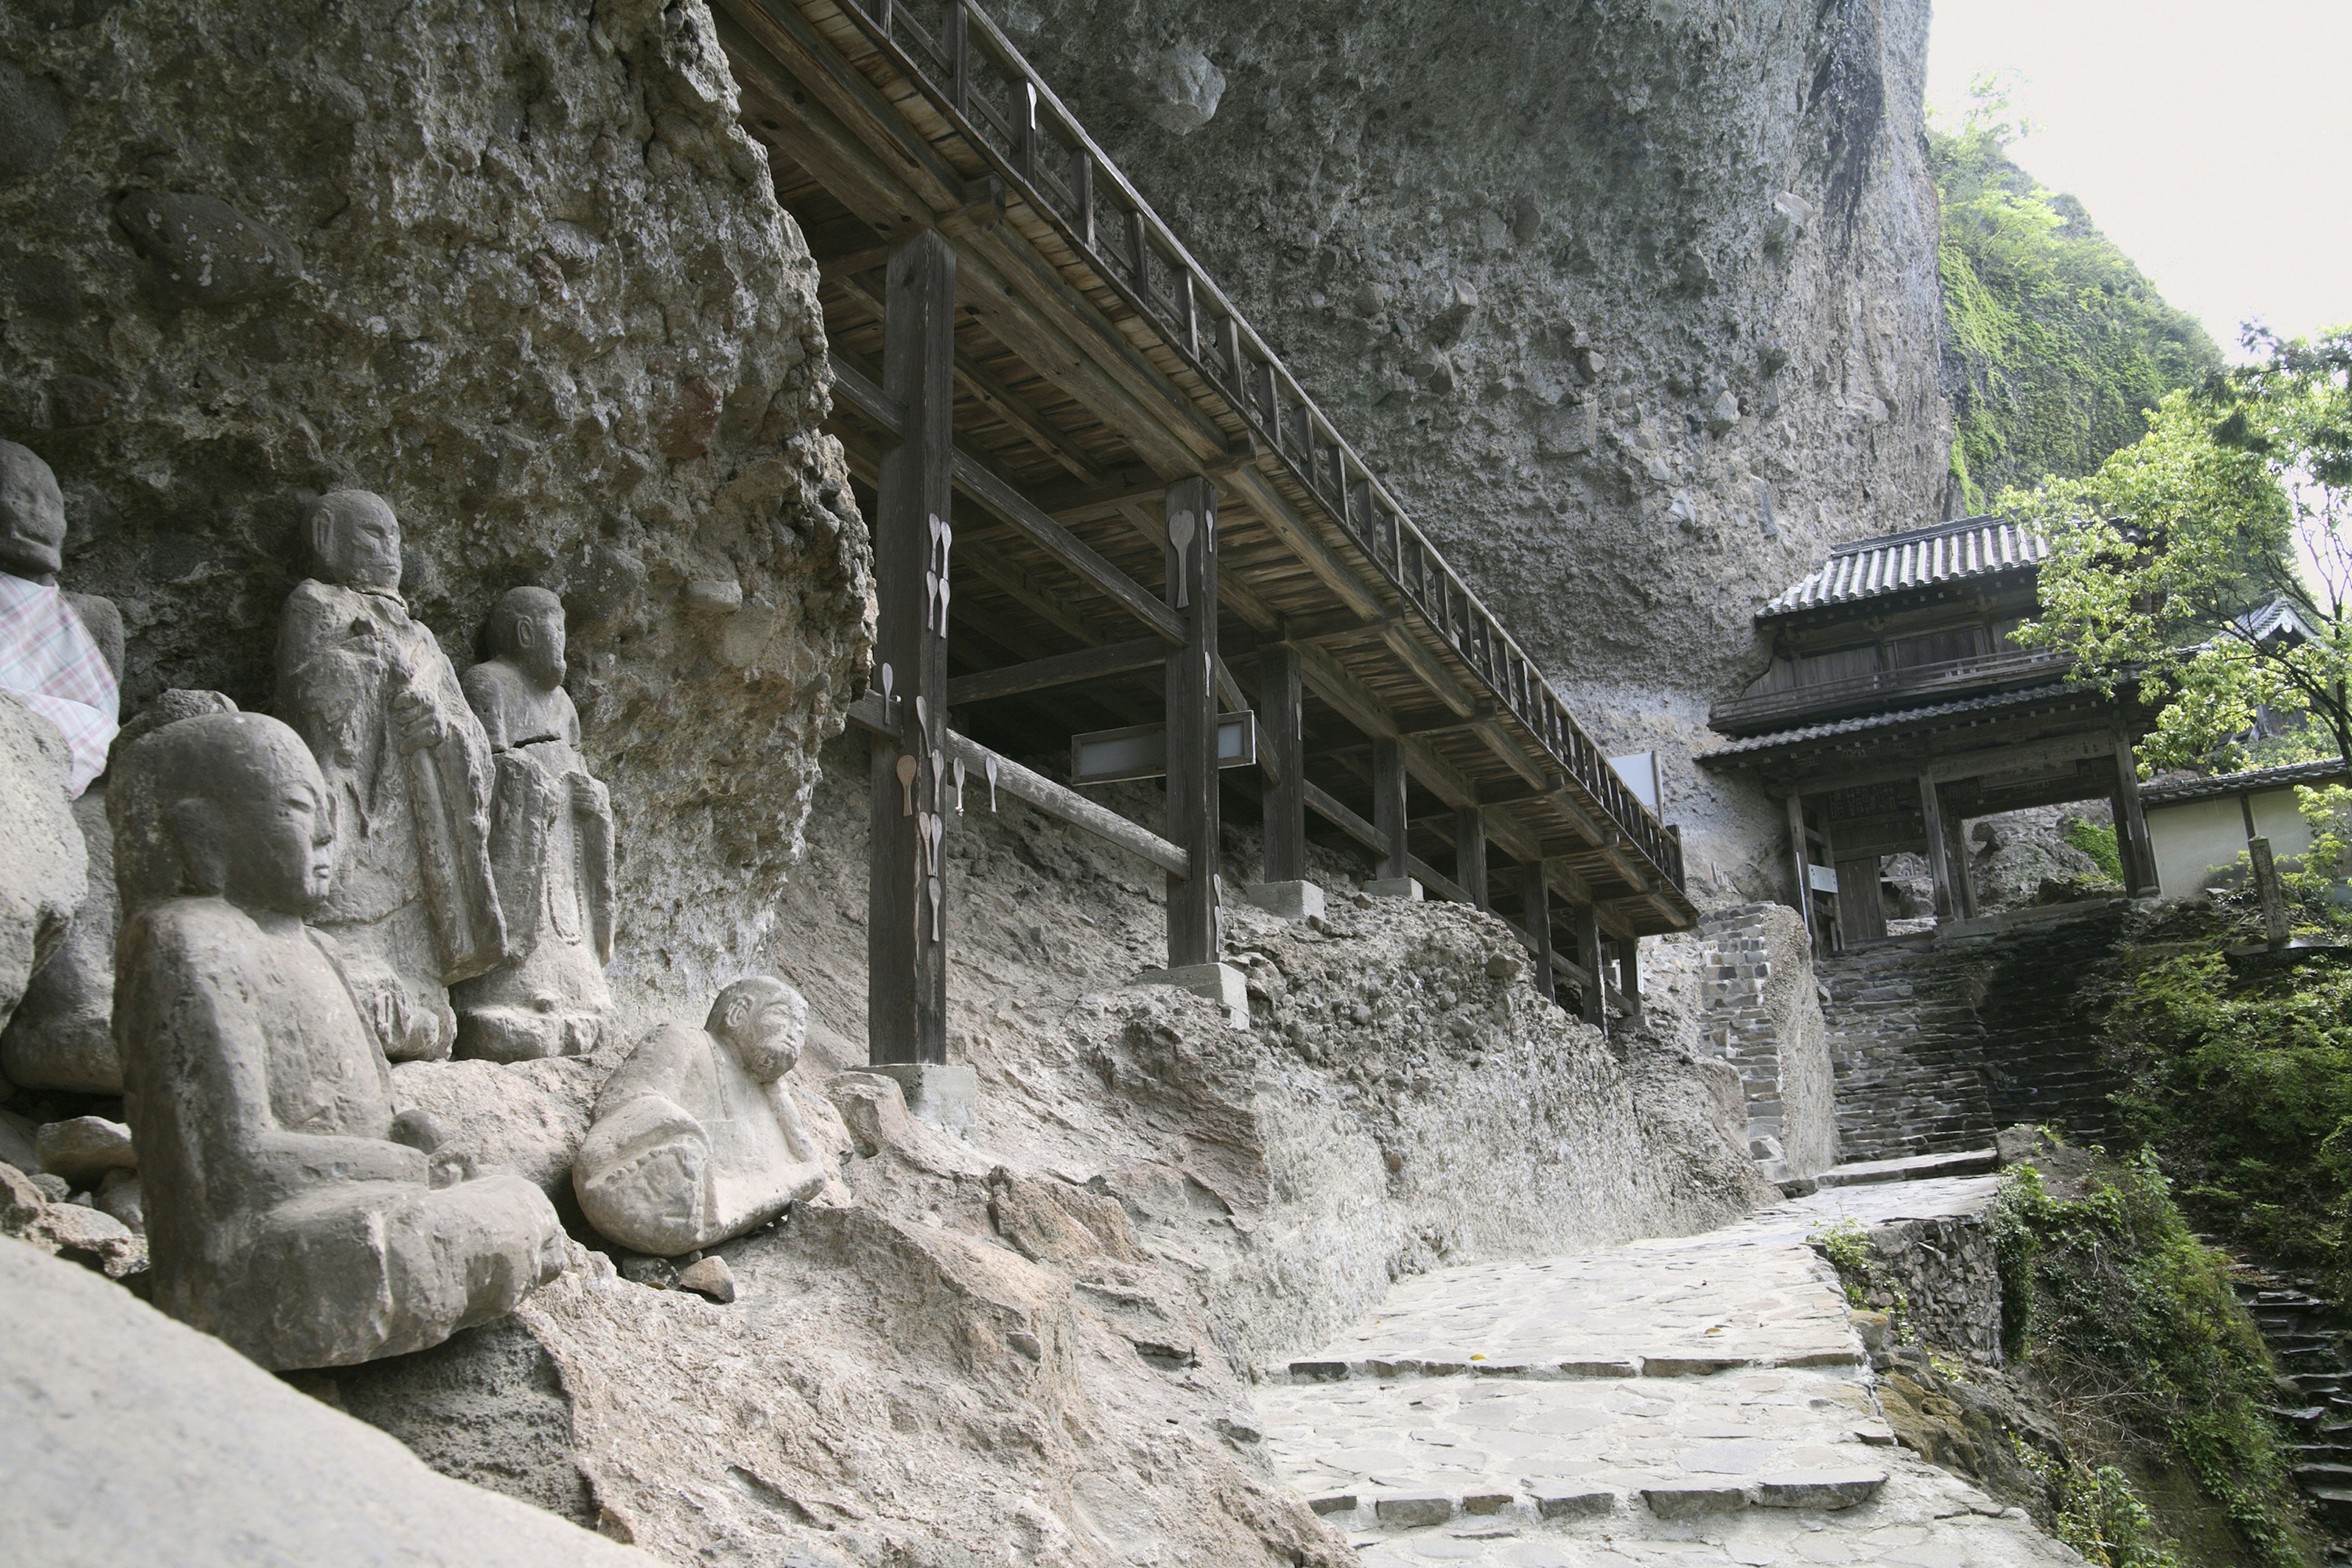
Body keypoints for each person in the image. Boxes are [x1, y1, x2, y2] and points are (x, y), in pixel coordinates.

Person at [109, 711, 562, 1370]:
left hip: (368, 1196)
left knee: (515, 1200)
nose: (328, 833)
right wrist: (408, 1168)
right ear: (204, 833)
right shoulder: (186, 939)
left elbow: (378, 1114)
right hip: (261, 1245)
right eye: (298, 810)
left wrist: (420, 1137)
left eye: (328, 809)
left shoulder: (318, 947)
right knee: (401, 1241)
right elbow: (238, 1163)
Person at [274, 490, 505, 1061]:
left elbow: (473, 737)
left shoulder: (422, 638)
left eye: (395, 536)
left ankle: (418, 984)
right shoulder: (317, 604)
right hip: (359, 800)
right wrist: (370, 673)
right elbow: (306, 698)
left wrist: (441, 727)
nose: (390, 550)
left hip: (415, 813)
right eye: (373, 535)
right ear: (328, 536)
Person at [450, 587, 615, 1061]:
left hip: (565, 840)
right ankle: (508, 991)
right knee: (529, 913)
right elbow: (483, 769)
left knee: (568, 911)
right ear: (526, 632)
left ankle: (575, 988)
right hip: (521, 832)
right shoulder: (487, 683)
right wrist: (528, 781)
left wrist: (593, 798)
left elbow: (581, 768)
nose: (564, 644)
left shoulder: (564, 705)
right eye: (557, 631)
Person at [575, 977, 829, 1257]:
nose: (794, 1033)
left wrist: (778, 1095)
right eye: (782, 1015)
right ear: (738, 1012)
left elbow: (812, 1171)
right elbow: (630, 1102)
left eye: (801, 1027)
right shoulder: (683, 1038)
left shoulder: (770, 1089)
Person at [0, 439, 119, 797]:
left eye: (46, 501)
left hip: (67, 771)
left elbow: (108, 733)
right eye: (18, 496)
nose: (33, 512)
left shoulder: (94, 616)